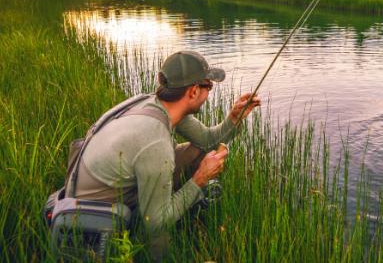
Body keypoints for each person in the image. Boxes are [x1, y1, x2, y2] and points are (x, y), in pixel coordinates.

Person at [67, 50, 260, 257]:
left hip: (102, 184)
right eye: (208, 87)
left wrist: (234, 118)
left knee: (197, 150)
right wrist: (200, 179)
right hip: (97, 213)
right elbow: (156, 222)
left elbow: (206, 141)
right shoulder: (155, 141)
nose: (209, 93)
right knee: (159, 229)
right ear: (193, 91)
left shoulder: (157, 103)